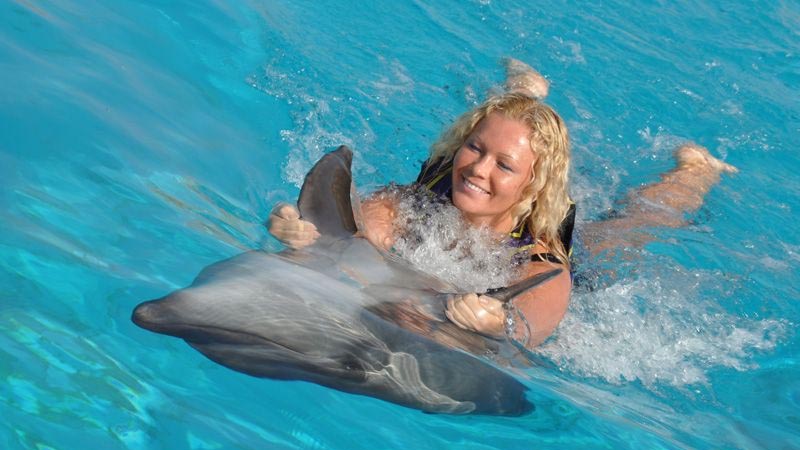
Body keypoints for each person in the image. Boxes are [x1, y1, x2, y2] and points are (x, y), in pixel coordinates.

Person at [267, 58, 737, 349]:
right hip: (473, 197)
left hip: (532, 230)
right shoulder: (418, 199)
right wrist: (303, 234)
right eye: (473, 149)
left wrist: (499, 322)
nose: (477, 169)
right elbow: (348, 236)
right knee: (505, 125)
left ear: (531, 185)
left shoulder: (539, 259)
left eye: (504, 167)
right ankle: (524, 92)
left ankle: (696, 172)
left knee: (622, 233)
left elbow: (532, 325)